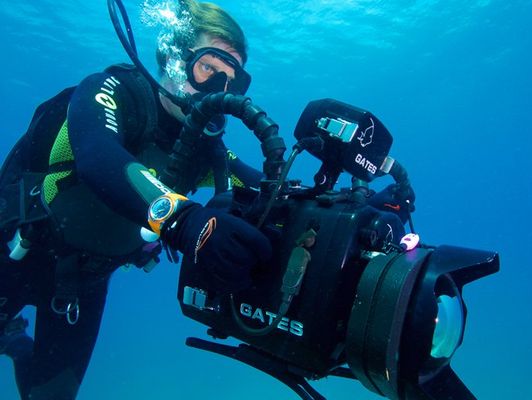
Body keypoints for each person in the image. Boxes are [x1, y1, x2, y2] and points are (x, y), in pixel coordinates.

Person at [0, 1, 415, 398]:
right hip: (15, 252)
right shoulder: (113, 91)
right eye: (208, 69)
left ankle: (14, 341)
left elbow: (274, 195)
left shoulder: (205, 147)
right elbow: (98, 157)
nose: (220, 90)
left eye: (232, 82)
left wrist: (354, 216)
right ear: (171, 56)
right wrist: (184, 221)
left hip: (82, 284)